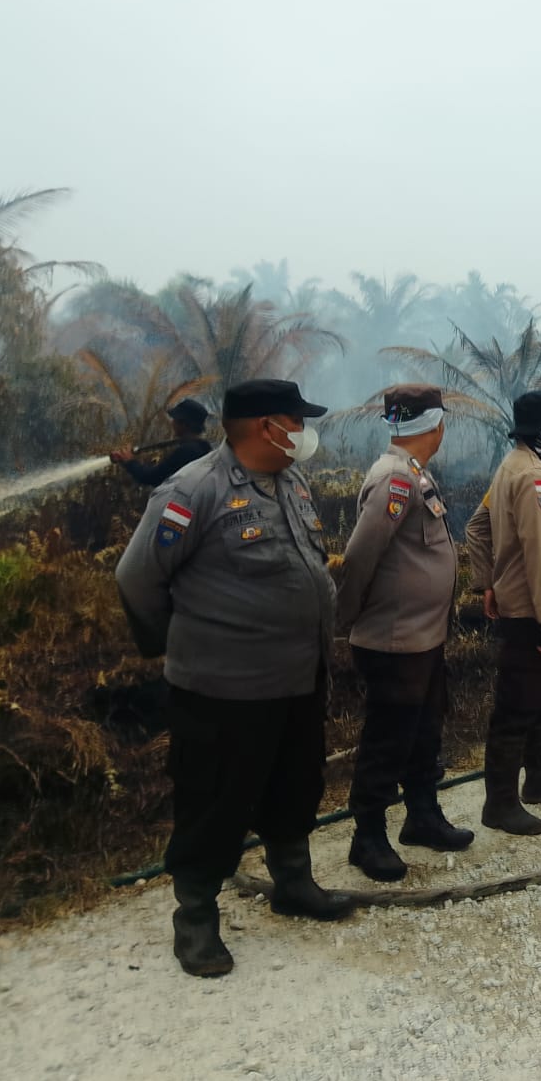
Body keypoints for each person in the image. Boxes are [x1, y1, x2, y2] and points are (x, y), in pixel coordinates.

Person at [115, 379, 353, 978]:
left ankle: (293, 883)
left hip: (299, 678)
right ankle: (195, 916)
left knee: (294, 786)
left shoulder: (291, 482)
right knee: (213, 800)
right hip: (222, 690)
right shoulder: (193, 490)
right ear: (264, 426)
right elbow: (138, 579)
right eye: (296, 421)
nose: (303, 431)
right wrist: (185, 647)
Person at [333, 384, 473, 883]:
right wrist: (344, 620)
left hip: (422, 636)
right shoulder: (394, 478)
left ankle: (422, 815)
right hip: (394, 640)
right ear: (436, 424)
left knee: (423, 731)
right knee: (388, 739)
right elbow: (361, 556)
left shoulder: (412, 472)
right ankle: (367, 837)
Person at [466, 389, 541, 835]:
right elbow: (538, 555)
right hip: (532, 615)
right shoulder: (533, 477)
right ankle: (500, 804)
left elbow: (476, 527)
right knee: (517, 706)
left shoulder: (508, 468)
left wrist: (488, 582)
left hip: (519, 606)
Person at [110, 398, 213, 487]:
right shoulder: (203, 448)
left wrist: (130, 462)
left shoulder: (188, 451)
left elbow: (152, 478)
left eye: (175, 420)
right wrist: (125, 460)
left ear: (184, 424)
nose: (172, 423)